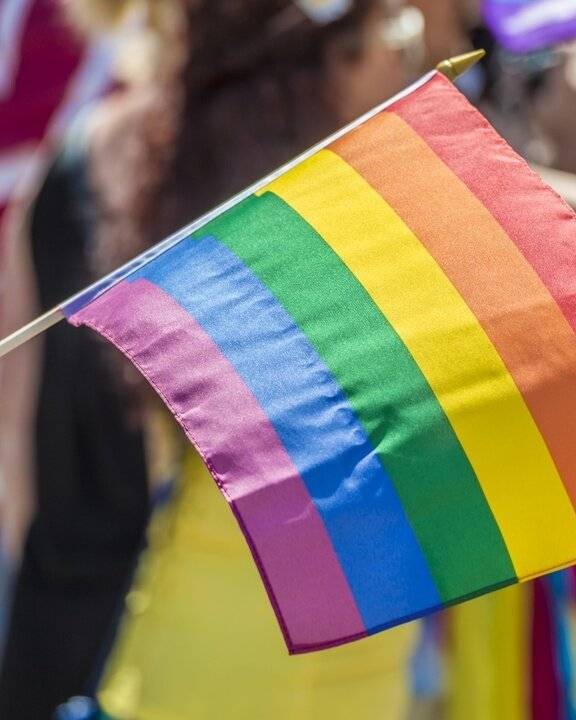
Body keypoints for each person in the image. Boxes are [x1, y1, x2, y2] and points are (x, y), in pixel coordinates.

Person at [0, 1, 432, 717]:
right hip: (233, 668)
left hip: (60, 641)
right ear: (324, 54)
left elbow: (16, 455)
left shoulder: (77, 157)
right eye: (393, 38)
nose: (401, 61)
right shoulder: (326, 218)